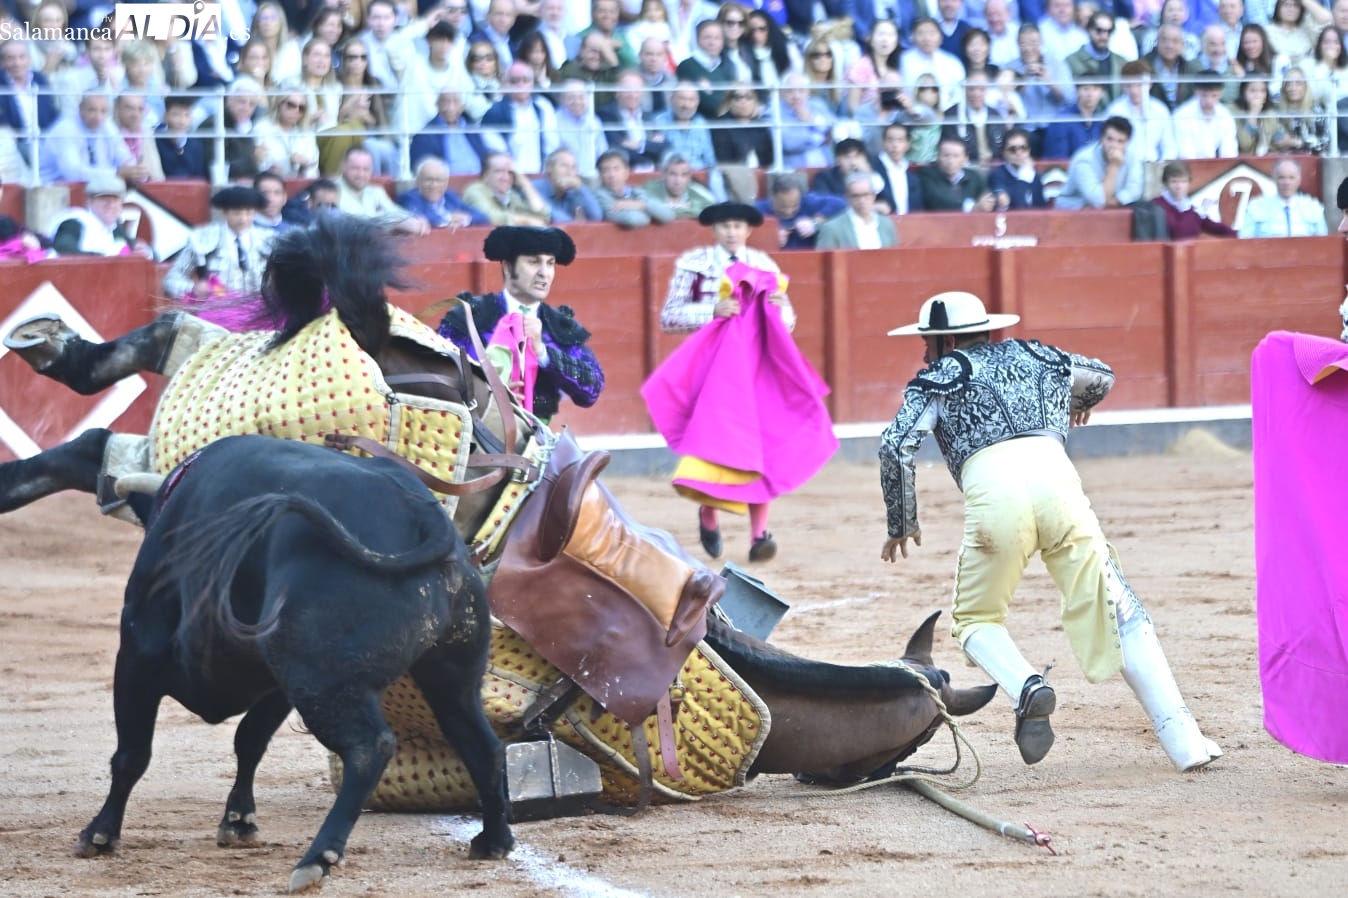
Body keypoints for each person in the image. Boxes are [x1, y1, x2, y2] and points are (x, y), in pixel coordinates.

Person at [879, 290, 1224, 772]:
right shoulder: (1040, 357)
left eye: (927, 342)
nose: (923, 352)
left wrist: (902, 523)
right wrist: (1077, 403)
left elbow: (895, 444)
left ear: (946, 342)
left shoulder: (936, 379)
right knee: (1119, 609)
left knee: (976, 619)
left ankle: (1027, 688)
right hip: (1060, 490)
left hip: (997, 501)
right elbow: (1102, 376)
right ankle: (1185, 740)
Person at [657, 202, 799, 562]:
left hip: (755, 367)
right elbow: (669, 316)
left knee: (760, 447)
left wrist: (780, 309)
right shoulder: (694, 264)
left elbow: (789, 322)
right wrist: (711, 311)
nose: (731, 232)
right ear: (714, 230)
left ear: (748, 231)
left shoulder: (765, 265)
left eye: (737, 226)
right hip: (712, 370)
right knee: (716, 446)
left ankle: (759, 534)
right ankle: (709, 511)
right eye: (725, 226)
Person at [436, 226, 604, 424]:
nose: (544, 273)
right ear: (508, 267)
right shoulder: (469, 318)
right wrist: (487, 393)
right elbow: (436, 377)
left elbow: (592, 389)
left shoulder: (559, 326)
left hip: (535, 435)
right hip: (473, 432)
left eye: (550, 263)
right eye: (534, 262)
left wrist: (543, 353)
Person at [162, 186, 274, 304]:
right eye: (237, 213)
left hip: (259, 309)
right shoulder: (203, 239)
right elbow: (171, 280)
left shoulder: (269, 240)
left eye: (249, 213)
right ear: (225, 212)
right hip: (216, 310)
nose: (243, 219)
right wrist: (193, 288)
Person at [48, 174, 154, 258]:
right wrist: (105, 259)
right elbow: (65, 251)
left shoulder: (114, 227)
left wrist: (145, 252)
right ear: (90, 201)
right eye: (104, 199)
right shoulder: (74, 223)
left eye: (115, 199)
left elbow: (136, 248)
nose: (110, 205)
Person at [1054, 116, 1145, 210]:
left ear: (1127, 143)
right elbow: (1098, 201)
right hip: (1073, 210)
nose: (1114, 146)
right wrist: (1114, 166)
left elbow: (1135, 190)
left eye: (1120, 141)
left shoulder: (1132, 158)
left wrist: (1115, 200)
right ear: (1101, 138)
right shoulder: (1084, 160)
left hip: (1110, 209)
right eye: (1109, 139)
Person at [1239, 157, 1329, 237]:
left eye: (1291, 178)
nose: (1286, 182)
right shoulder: (1257, 207)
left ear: (1299, 180)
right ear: (1274, 178)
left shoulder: (1313, 207)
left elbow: (1322, 243)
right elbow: (1245, 242)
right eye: (1281, 177)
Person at [755, 173, 847, 251]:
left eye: (794, 206)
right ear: (772, 196)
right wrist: (770, 238)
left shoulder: (807, 202)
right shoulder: (758, 210)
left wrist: (815, 222)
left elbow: (840, 203)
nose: (788, 211)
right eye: (783, 206)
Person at [397, 157, 491, 229]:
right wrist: (449, 218)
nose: (434, 185)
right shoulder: (409, 198)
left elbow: (483, 217)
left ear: (446, 183)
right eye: (428, 179)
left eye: (439, 180)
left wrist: (465, 219)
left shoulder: (450, 197)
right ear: (418, 181)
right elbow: (421, 218)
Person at [593, 147, 677, 228]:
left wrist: (640, 205)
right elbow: (634, 219)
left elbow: (669, 215)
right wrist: (651, 213)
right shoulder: (600, 195)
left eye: (616, 169)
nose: (612, 175)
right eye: (605, 170)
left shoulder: (636, 191)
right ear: (600, 175)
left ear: (626, 172)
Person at [1152, 161, 1239, 238]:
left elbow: (1214, 228)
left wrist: (1239, 235)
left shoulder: (1190, 208)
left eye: (1183, 181)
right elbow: (1179, 233)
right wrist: (1199, 212)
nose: (1179, 186)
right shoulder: (1157, 205)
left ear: (1188, 183)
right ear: (1166, 183)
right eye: (1174, 181)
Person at [815, 172, 899, 250]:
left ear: (873, 195)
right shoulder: (832, 228)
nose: (861, 201)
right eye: (855, 196)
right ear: (847, 197)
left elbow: (894, 256)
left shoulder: (886, 224)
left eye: (866, 195)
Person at [986, 127, 1049, 208]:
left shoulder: (1035, 175)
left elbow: (1041, 207)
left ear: (1029, 150)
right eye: (1012, 149)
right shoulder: (997, 175)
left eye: (1023, 148)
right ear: (1004, 152)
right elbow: (1018, 205)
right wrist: (1023, 178)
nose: (1019, 153)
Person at [641, 152, 716, 220]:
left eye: (684, 175)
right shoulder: (649, 189)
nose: (678, 181)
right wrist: (687, 210)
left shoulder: (697, 190)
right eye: (673, 174)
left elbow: (713, 211)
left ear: (689, 177)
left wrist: (671, 209)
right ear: (663, 175)